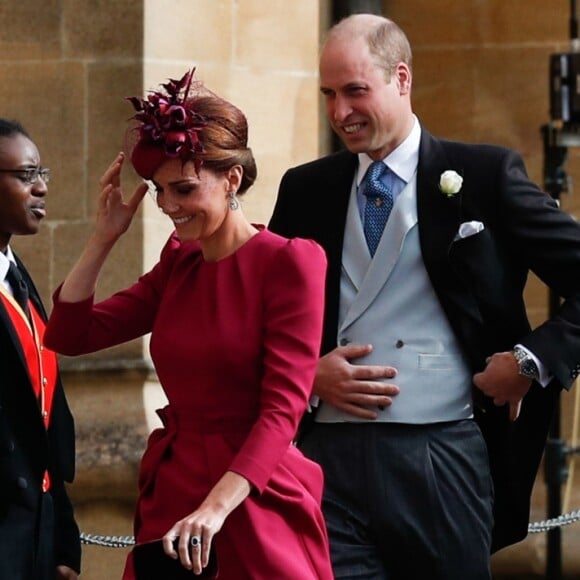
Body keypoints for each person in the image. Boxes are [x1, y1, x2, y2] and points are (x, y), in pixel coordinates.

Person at [269, 13, 580, 580]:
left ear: (402, 79)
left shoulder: (485, 174)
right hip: (325, 461)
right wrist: (306, 376)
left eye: (355, 91)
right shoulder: (305, 188)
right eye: (328, 95)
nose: (339, 113)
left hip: (443, 453)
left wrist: (530, 363)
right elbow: (262, 316)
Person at [44, 69, 334, 580]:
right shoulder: (179, 262)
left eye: (182, 189)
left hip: (253, 496)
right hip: (174, 499)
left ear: (233, 180)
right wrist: (104, 238)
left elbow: (282, 410)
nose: (168, 206)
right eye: (159, 190)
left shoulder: (290, 262)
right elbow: (70, 335)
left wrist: (217, 508)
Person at [0, 118, 81, 579]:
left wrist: (61, 540)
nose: (41, 188)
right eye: (26, 175)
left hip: (34, 536)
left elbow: (44, 417)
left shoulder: (19, 278)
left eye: (42, 174)